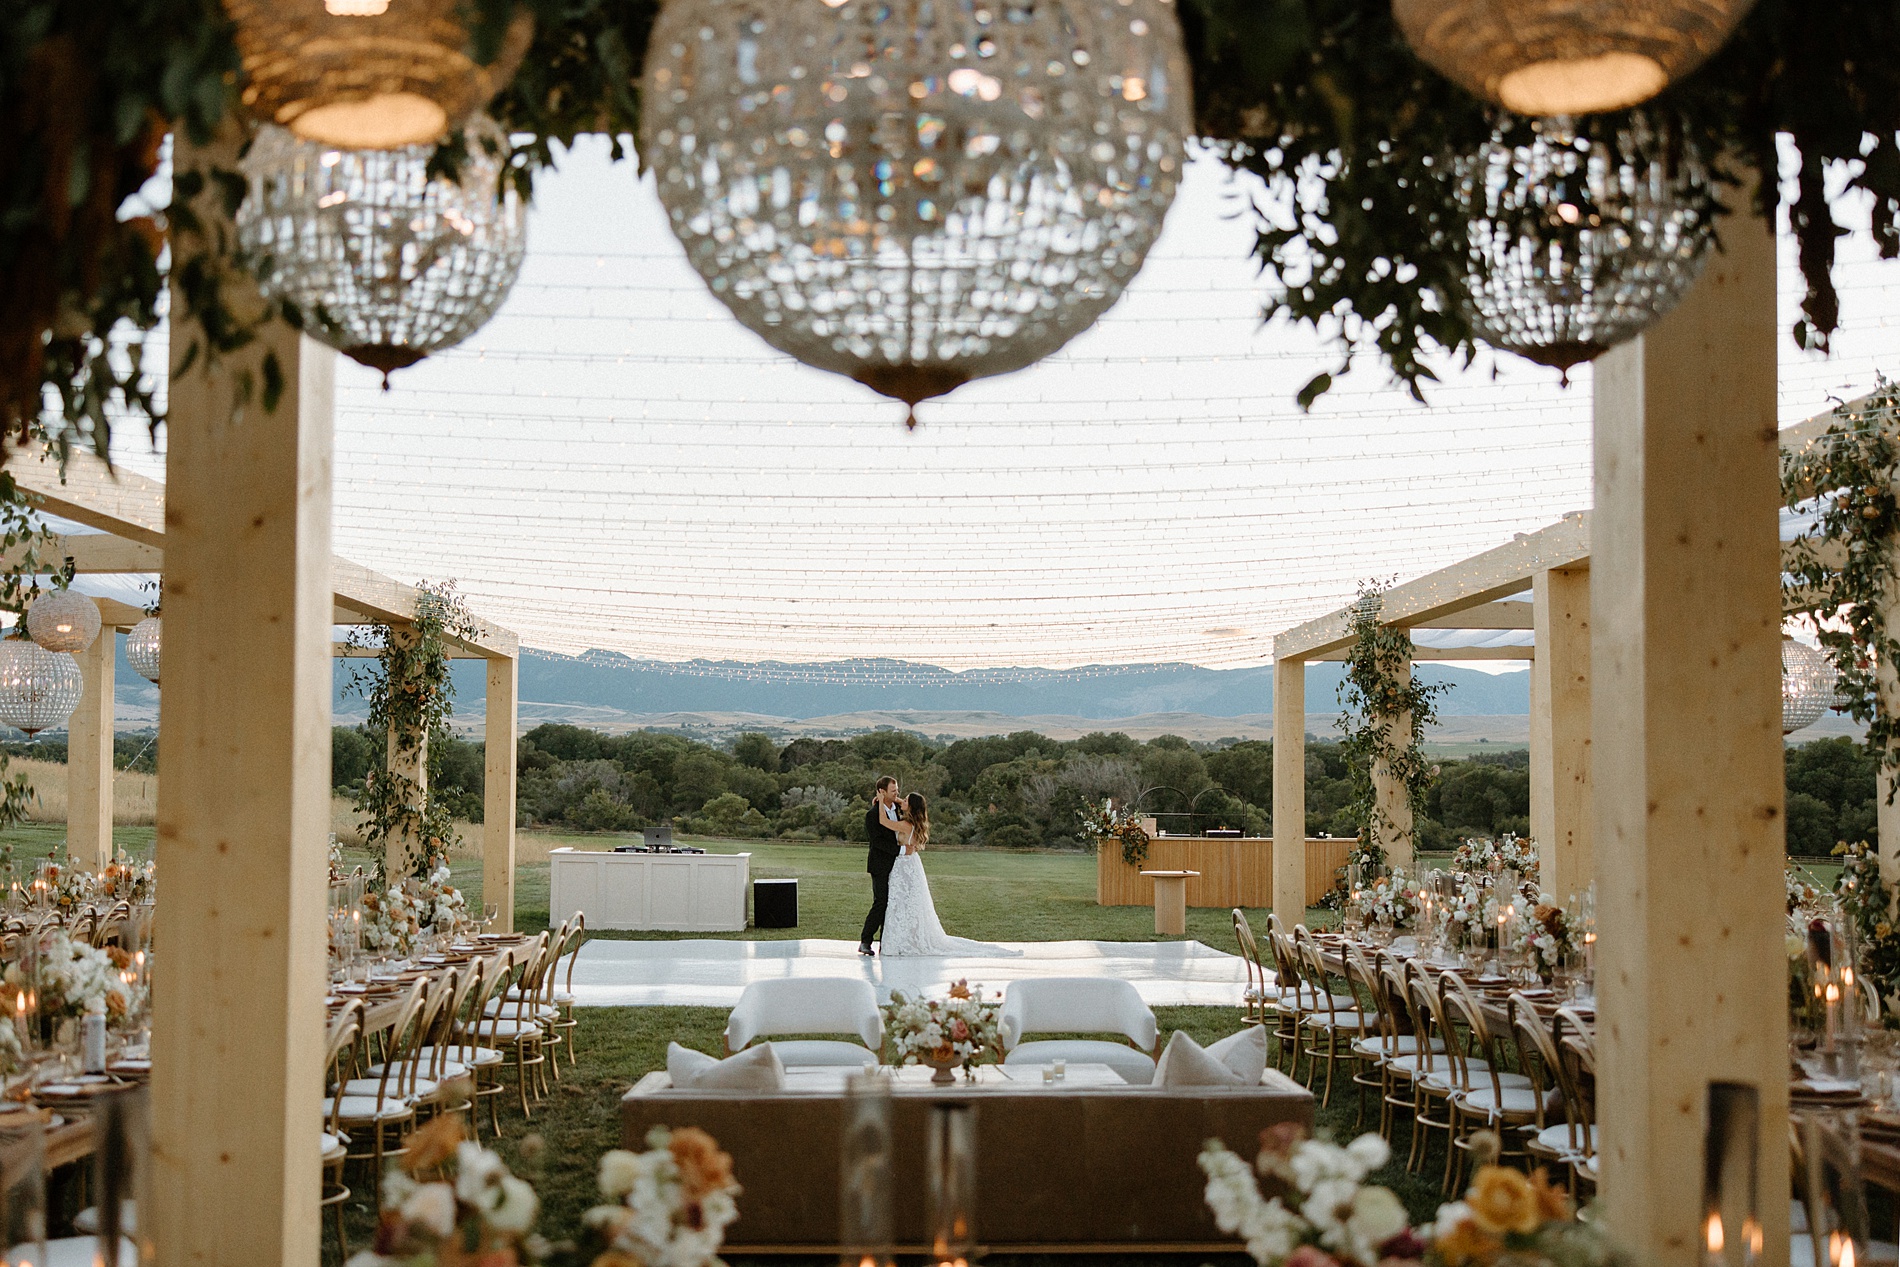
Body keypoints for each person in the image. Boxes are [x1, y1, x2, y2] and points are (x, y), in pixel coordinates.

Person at [880, 792, 1021, 958]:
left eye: (905, 800)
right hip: (912, 864)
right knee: (909, 902)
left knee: (902, 901)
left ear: (910, 807)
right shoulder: (915, 823)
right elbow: (905, 805)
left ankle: (904, 940)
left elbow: (883, 821)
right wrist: (894, 799)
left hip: (904, 865)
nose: (901, 800)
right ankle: (908, 937)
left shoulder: (905, 824)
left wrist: (883, 800)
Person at [859, 775, 902, 956]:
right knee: (881, 902)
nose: (897, 793)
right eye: (893, 790)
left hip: (899, 866)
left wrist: (893, 798)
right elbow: (877, 842)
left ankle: (887, 943)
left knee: (894, 903)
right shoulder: (872, 814)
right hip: (880, 865)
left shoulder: (899, 808)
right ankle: (865, 941)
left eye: (897, 789)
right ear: (882, 792)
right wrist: (900, 851)